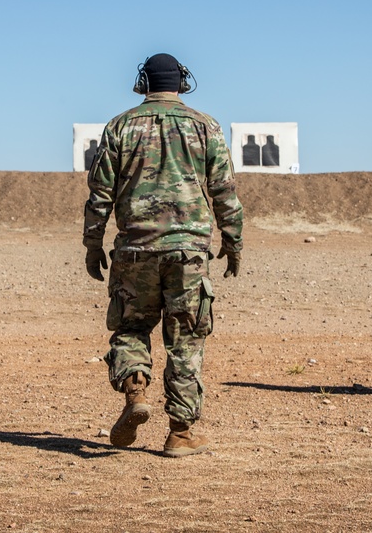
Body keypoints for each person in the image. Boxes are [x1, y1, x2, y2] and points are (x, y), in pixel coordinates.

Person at [83, 53, 243, 457]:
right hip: (188, 252)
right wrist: (233, 241)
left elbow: (100, 193)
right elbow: (224, 191)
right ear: (181, 83)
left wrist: (92, 242)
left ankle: (136, 390)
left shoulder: (119, 126)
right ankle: (181, 433)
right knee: (185, 340)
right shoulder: (206, 126)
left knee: (132, 328)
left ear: (144, 83)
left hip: (134, 248)